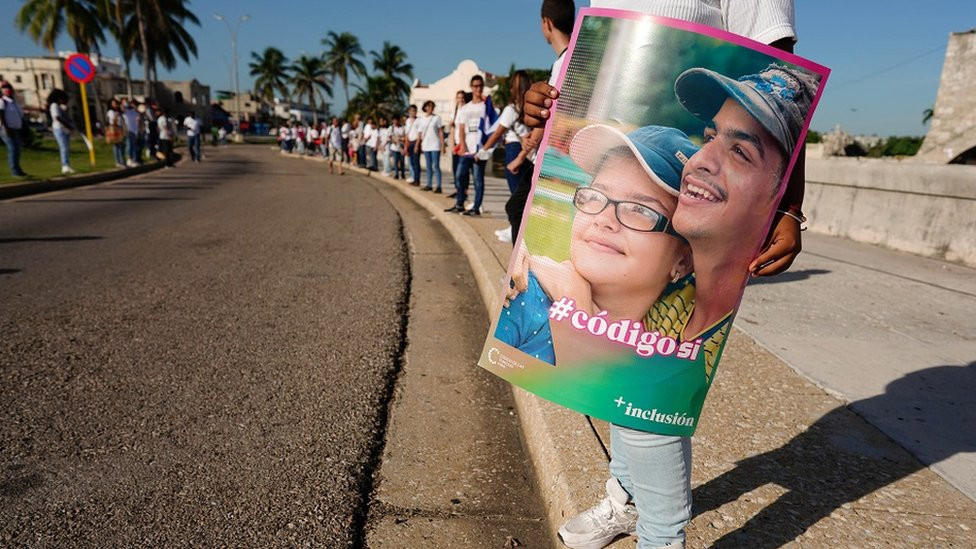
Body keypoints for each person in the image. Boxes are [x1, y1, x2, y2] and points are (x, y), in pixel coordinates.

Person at [497, 124, 695, 366]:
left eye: (640, 210)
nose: (604, 219)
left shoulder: (672, 354)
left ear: (683, 260)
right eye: (595, 195)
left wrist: (579, 318)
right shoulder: (524, 297)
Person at [505, 0, 573, 243]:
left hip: (556, 159)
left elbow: (551, 121)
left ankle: (518, 275)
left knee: (517, 209)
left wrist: (522, 154)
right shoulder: (569, 59)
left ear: (547, 23)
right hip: (557, 156)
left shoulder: (565, 63)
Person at [482, 70, 533, 241]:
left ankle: (515, 230)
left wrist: (484, 150)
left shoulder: (511, 109)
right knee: (522, 194)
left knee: (515, 196)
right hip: (528, 152)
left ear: (514, 88)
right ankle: (516, 228)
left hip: (513, 150)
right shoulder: (529, 108)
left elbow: (497, 133)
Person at [445, 75, 489, 215]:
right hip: (466, 150)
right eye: (475, 86)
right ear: (471, 87)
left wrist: (483, 149)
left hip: (479, 151)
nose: (478, 88)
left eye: (480, 86)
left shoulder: (487, 107)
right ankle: (460, 202)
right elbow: (462, 129)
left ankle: (476, 208)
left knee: (478, 180)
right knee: (459, 175)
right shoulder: (466, 108)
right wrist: (462, 145)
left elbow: (490, 129)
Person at [0, 80, 28, 177]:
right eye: (4, 88)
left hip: (16, 129)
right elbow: (1, 116)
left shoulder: (14, 103)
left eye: (8, 87)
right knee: (13, 149)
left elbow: (21, 116)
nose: (7, 90)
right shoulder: (2, 101)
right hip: (7, 129)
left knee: (17, 149)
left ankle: (18, 169)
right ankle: (15, 171)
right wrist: (6, 128)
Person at [416, 100, 445, 193]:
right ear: (425, 107)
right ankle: (429, 184)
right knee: (428, 166)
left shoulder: (437, 118)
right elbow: (419, 133)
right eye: (428, 106)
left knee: (435, 165)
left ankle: (439, 186)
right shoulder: (421, 119)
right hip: (425, 144)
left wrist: (443, 144)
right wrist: (417, 145)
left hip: (435, 144)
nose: (430, 108)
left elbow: (440, 132)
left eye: (432, 106)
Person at [47, 89, 75, 175]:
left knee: (66, 147)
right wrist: (68, 126)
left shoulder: (59, 107)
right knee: (63, 147)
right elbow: (57, 118)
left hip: (64, 130)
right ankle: (65, 165)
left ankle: (67, 164)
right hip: (59, 129)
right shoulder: (54, 105)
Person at [122, 98, 143, 167]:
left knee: (134, 146)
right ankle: (129, 159)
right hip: (128, 130)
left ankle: (134, 159)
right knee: (129, 145)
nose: (135, 106)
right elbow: (122, 108)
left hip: (135, 131)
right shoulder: (127, 111)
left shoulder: (136, 113)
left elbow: (138, 122)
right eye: (133, 104)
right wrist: (125, 103)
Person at [403, 104, 421, 185]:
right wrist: (406, 146)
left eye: (414, 111)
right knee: (411, 162)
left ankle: (417, 179)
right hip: (409, 142)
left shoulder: (418, 120)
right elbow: (406, 134)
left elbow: (419, 134)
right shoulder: (407, 121)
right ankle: (413, 177)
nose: (412, 112)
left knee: (416, 162)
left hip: (415, 142)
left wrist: (417, 145)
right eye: (411, 111)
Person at [106, 98, 126, 168]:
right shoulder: (111, 112)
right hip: (114, 128)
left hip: (119, 128)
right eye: (114, 103)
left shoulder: (118, 111)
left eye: (116, 103)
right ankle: (119, 161)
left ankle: (122, 161)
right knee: (117, 145)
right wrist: (116, 116)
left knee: (121, 145)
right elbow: (112, 122)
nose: (115, 105)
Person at [390, 115, 406, 180]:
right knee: (396, 161)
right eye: (394, 120)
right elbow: (391, 137)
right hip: (394, 147)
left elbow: (405, 136)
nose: (395, 121)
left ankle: (402, 174)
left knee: (402, 161)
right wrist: (395, 140)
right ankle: (396, 174)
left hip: (402, 147)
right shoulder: (391, 128)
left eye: (396, 120)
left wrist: (401, 139)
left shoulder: (403, 128)